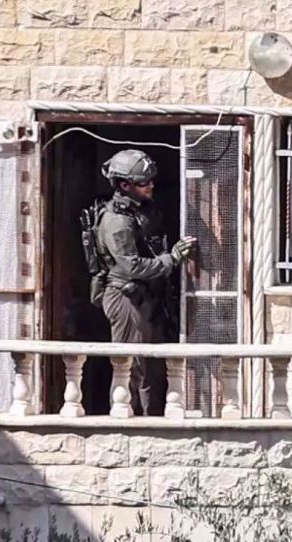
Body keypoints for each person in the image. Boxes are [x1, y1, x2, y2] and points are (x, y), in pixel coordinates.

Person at [92, 149, 197, 416]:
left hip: (148, 297)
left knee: (153, 367)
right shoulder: (117, 221)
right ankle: (129, 420)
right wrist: (171, 259)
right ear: (125, 185)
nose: (150, 186)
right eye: (143, 182)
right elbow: (133, 266)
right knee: (132, 366)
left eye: (151, 181)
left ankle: (151, 417)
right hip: (127, 296)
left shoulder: (142, 210)